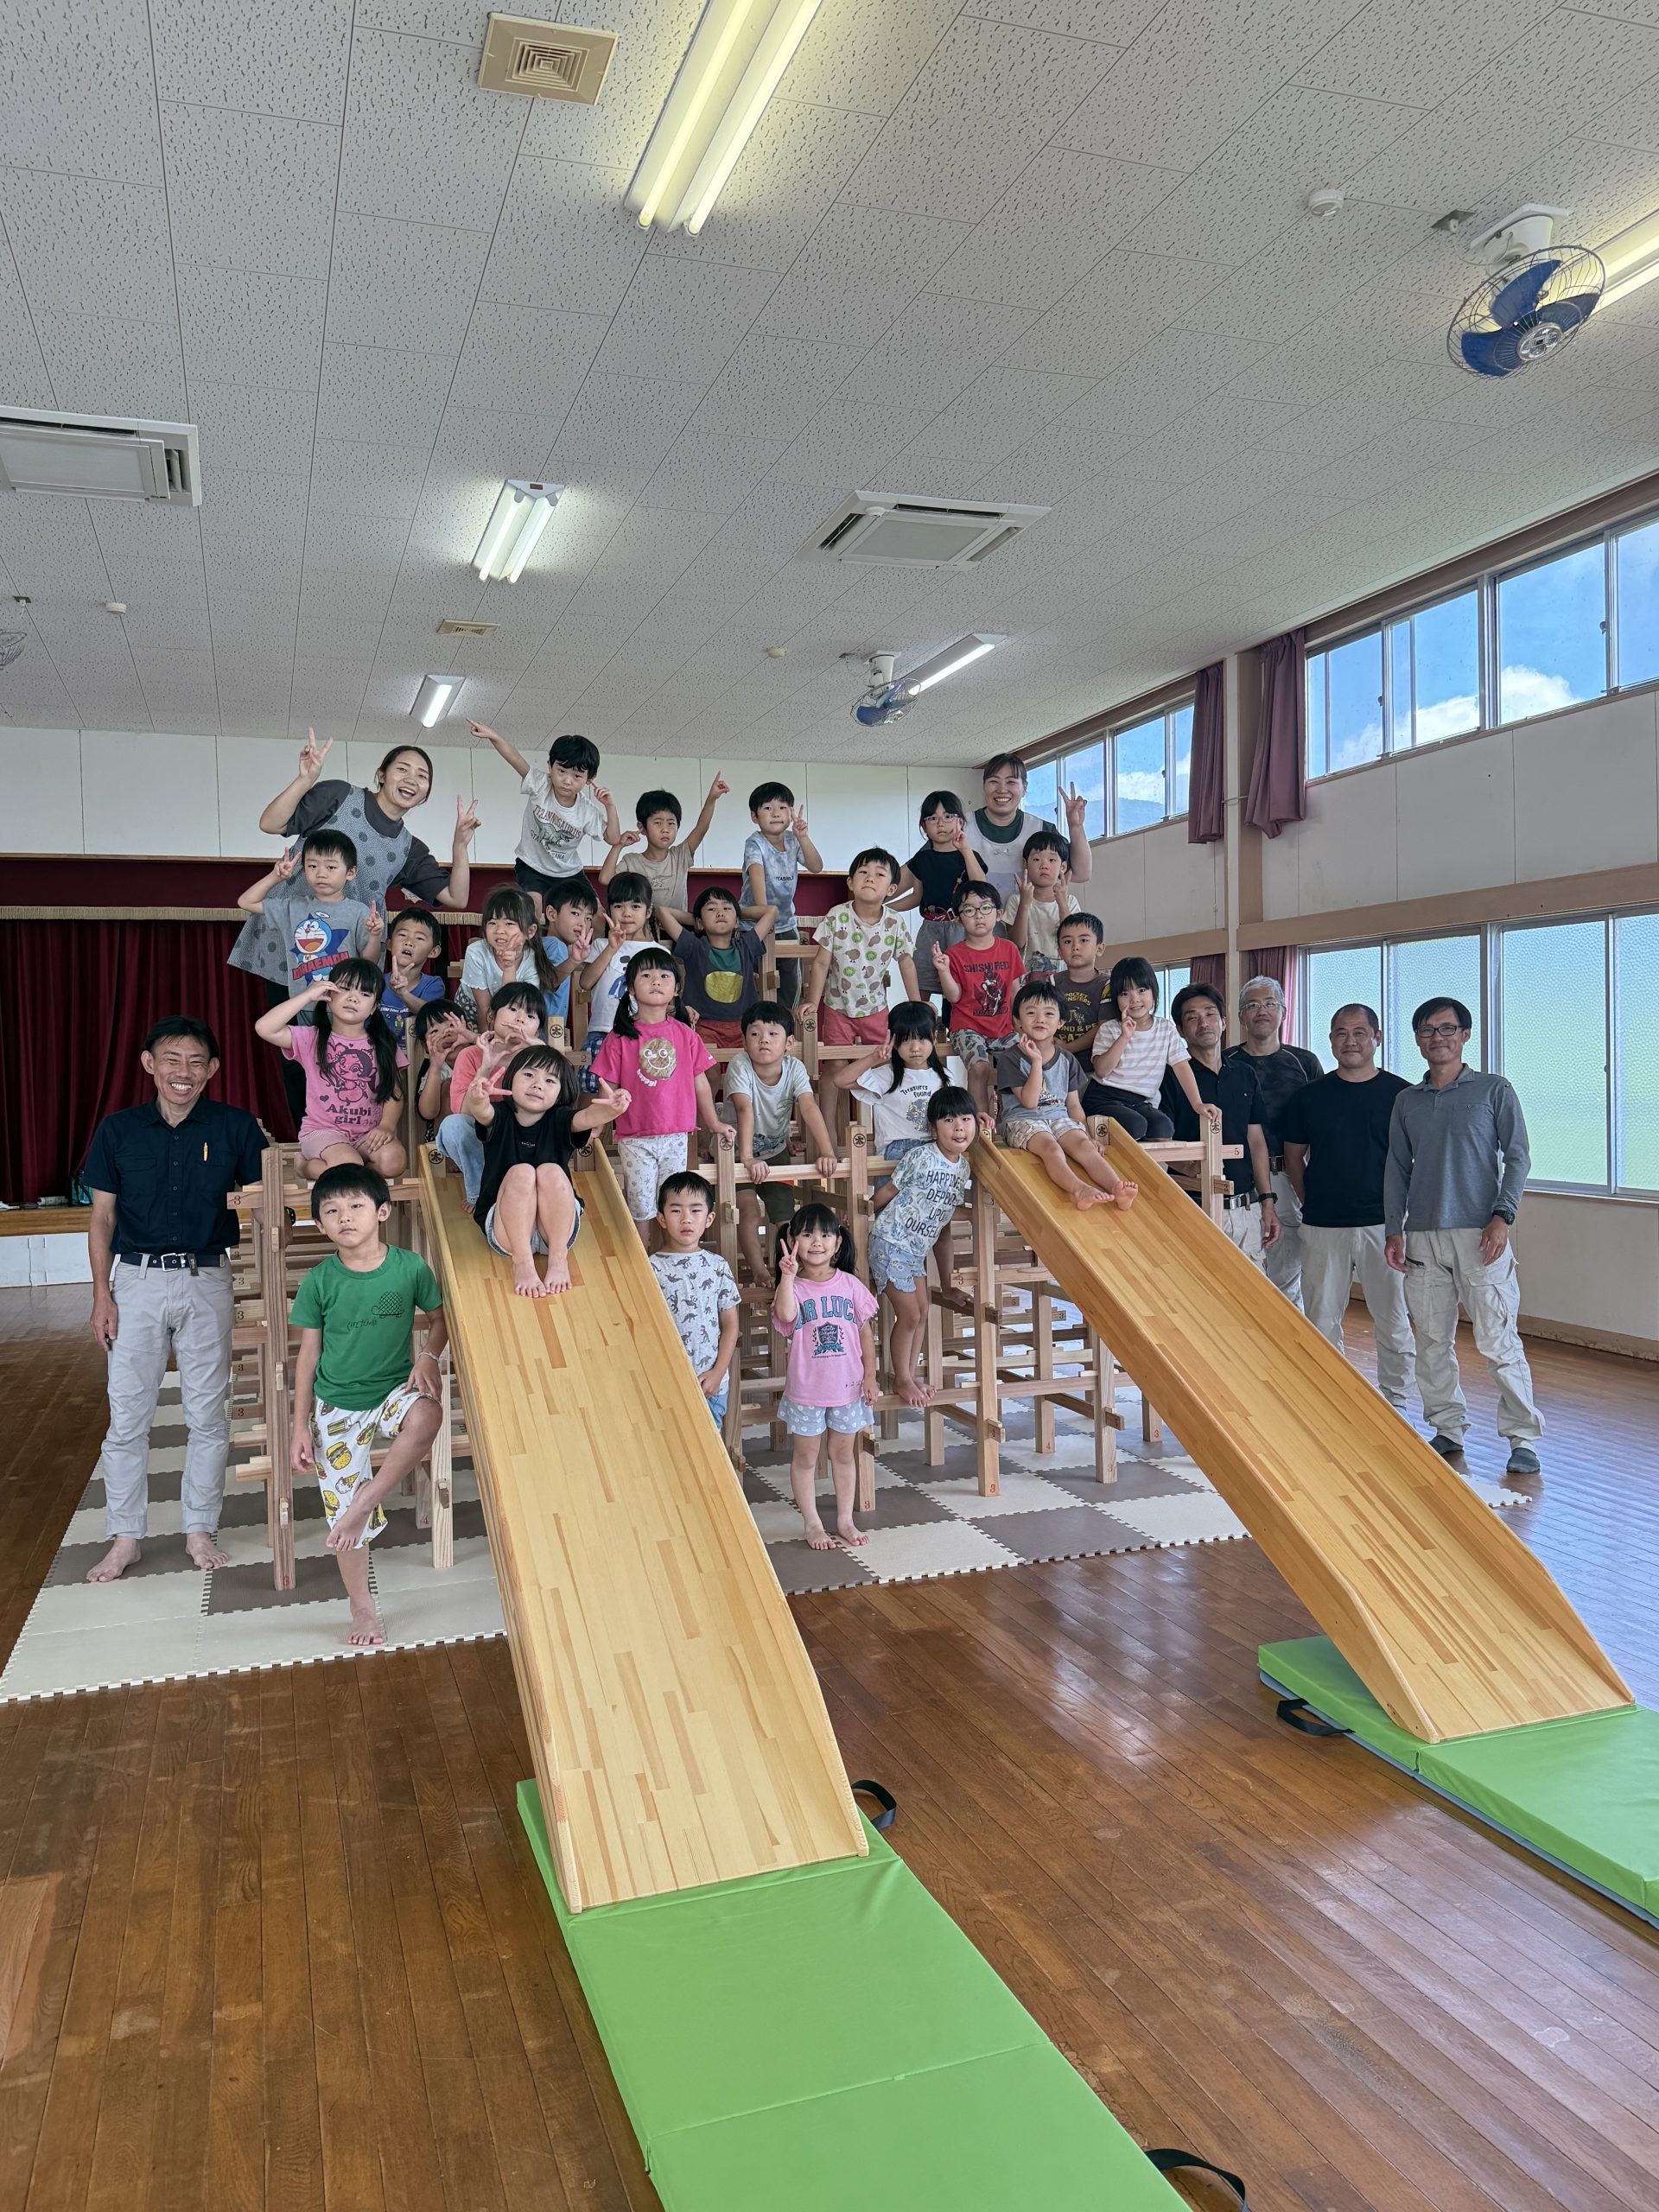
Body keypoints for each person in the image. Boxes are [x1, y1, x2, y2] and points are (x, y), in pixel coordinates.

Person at [80, 1017, 269, 1584]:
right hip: (135, 1282)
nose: (182, 1072)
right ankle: (125, 1538)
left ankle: (198, 1529)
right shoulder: (118, 1131)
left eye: (195, 1061)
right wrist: (102, 1295)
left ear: (213, 1070)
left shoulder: (237, 1128)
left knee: (208, 1416)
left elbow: (265, 1199)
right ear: (149, 1064)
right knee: (127, 1418)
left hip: (206, 1277)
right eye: (171, 1059)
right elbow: (102, 1218)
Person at [289, 1163, 448, 1648]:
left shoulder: (410, 1267)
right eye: (331, 1211)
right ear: (320, 1224)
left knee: (428, 1413)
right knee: (344, 1525)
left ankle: (367, 1500)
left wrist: (428, 1356)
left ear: (382, 1211)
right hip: (336, 1405)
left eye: (356, 1206)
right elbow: (308, 1356)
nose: (345, 1217)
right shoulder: (319, 1280)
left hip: (392, 1391)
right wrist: (299, 1426)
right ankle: (362, 1610)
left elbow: (440, 1320)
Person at [1384, 996, 1542, 1476]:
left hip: (1481, 1234)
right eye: (1427, 1030)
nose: (1437, 1037)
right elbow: (1397, 1168)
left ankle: (1522, 1437)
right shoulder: (1407, 1101)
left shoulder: (1494, 1089)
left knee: (1498, 1340)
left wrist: (1503, 1216)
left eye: (1447, 1028)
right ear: (1417, 1040)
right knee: (1432, 1340)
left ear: (1465, 1035)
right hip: (1422, 1236)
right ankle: (1447, 1428)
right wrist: (1394, 1229)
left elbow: (1518, 1156)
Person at [234, 731, 478, 1027]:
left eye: (422, 776)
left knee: (343, 1042)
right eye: (402, 769)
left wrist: (460, 846)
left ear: (426, 792)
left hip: (349, 957)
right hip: (294, 942)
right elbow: (270, 823)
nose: (411, 779)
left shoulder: (409, 848)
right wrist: (305, 780)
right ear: (381, 775)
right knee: (292, 1041)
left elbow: (457, 897)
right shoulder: (339, 795)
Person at [1281, 1004, 1414, 1414]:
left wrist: (1400, 1218)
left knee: (1393, 1319)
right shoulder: (1309, 1097)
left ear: (1377, 1038)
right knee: (1321, 1319)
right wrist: (1309, 1202)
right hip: (1323, 1224)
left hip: (1385, 1227)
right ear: (1331, 1041)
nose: (1350, 1041)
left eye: (1359, 1032)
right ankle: (1329, 1399)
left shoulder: (1403, 1095)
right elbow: (1293, 1158)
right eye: (1341, 1033)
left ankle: (1396, 1403)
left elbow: (1416, 1161)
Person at [463, 1039, 628, 1295]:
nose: (538, 1084)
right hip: (508, 1230)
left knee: (550, 1171)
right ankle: (523, 1263)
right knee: (522, 1172)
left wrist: (613, 1110)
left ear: (560, 1094)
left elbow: (588, 1117)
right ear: (511, 1079)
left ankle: (558, 1260)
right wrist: (477, 1097)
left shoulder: (561, 1119)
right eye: (529, 1075)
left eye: (550, 1081)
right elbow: (482, 1111)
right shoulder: (500, 1115)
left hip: (555, 1232)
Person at [589, 947, 721, 1236]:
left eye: (664, 976)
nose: (656, 981)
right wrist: (596, 1125)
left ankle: (668, 1258)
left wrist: (713, 1123)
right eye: (646, 975)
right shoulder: (619, 1037)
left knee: (674, 1206)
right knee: (641, 1210)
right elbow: (608, 1088)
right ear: (630, 988)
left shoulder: (686, 1034)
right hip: (635, 1137)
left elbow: (701, 1082)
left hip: (676, 1135)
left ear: (677, 989)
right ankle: (643, 1261)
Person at [772, 1204, 877, 1551]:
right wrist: (787, 1277)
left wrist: (871, 1376)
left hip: (848, 1389)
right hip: (806, 1391)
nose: (816, 1242)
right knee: (805, 1458)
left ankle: (845, 1519)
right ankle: (812, 1523)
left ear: (837, 1243)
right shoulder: (793, 1287)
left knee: (843, 1454)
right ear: (793, 1241)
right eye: (807, 1234)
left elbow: (865, 1334)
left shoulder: (851, 1285)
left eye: (825, 1234)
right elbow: (785, 1316)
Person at [868, 1087, 978, 1406]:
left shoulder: (963, 1168)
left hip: (914, 1251)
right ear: (933, 1128)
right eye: (949, 1120)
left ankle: (909, 1374)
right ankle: (901, 1378)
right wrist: (862, 1213)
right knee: (910, 1315)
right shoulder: (921, 1157)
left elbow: (944, 1223)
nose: (959, 1127)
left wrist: (948, 1285)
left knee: (922, 1312)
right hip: (890, 1241)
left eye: (965, 1119)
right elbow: (889, 1190)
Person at [721, 1001, 837, 1288]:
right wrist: (747, 1159)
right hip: (734, 1153)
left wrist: (827, 1151)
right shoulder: (740, 1065)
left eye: (773, 1034)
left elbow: (809, 1108)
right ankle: (760, 1272)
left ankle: (790, 1270)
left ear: (789, 1043)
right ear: (744, 1041)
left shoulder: (795, 1067)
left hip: (775, 1152)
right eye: (755, 1034)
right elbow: (745, 1110)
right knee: (748, 1211)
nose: (764, 1040)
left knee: (785, 1217)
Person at [255, 958, 406, 1180]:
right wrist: (307, 995)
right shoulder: (312, 1038)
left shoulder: (385, 1045)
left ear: (374, 1007)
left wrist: (386, 1126)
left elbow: (394, 1093)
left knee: (394, 1161)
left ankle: (350, 1172)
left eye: (365, 993)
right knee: (348, 1165)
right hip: (323, 1133)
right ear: (329, 994)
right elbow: (264, 1028)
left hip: (366, 1136)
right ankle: (305, 1167)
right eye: (345, 988)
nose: (353, 998)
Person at [1224, 976, 1323, 1306]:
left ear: (1283, 1012)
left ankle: (1287, 1336)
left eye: (1270, 1004)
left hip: (1288, 1176)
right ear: (1241, 1016)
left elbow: (1319, 1128)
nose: (1262, 1011)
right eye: (1252, 1005)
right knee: (1239, 1276)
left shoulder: (1305, 1063)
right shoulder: (1226, 1063)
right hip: (1236, 1181)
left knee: (1287, 1274)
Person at [996, 981, 1137, 1213]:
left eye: (1049, 1014)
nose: (1040, 1019)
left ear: (1061, 1022)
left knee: (1085, 1147)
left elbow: (1073, 1104)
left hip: (1059, 1119)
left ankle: (1117, 1188)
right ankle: (1079, 1189)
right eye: (1031, 1013)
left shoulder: (1067, 1060)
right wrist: (1036, 1062)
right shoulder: (1010, 1059)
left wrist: (1087, 1135)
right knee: (1052, 1149)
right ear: (1018, 1021)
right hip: (1023, 1120)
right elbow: (1030, 1102)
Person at [1164, 983, 1280, 1267]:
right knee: (1198, 1287)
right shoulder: (1170, 1077)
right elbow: (1159, 1143)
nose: (1203, 1023)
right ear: (1180, 1030)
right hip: (1193, 1206)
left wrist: (1267, 1200)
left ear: (1224, 1022)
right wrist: (1191, 1168)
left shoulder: (1245, 1073)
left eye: (1210, 1014)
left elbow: (1256, 1141)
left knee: (1252, 1289)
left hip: (1246, 1207)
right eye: (1192, 1017)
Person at [235, 828, 382, 1020]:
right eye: (312, 866)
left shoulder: (359, 912)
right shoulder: (293, 907)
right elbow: (246, 902)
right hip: (304, 1005)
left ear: (351, 872)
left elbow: (369, 961)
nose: (320, 874)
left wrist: (374, 936)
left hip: (345, 1007)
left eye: (331, 867)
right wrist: (275, 877)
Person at [469, 722, 618, 912]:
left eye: (577, 776)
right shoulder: (540, 785)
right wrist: (493, 736)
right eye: (561, 771)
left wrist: (610, 806)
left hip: (568, 871)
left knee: (597, 913)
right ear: (550, 766)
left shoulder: (586, 810)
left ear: (589, 779)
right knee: (533, 908)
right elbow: (515, 758)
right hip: (532, 866)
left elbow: (613, 839)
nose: (567, 780)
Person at [430, 982, 545, 1206]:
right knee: (452, 1126)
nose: (520, 1019)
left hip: (524, 1142)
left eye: (530, 1016)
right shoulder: (469, 1056)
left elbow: (558, 1104)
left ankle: (522, 1185)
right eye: (513, 1009)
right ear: (491, 1016)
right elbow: (463, 1113)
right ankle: (481, 1192)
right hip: (483, 1141)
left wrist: (540, 1051)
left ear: (538, 1031)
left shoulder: (539, 1059)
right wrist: (485, 1068)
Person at [1086, 957, 1217, 1142]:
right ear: (1116, 998)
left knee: (1163, 1128)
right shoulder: (1110, 1028)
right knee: (1136, 1126)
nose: (1134, 999)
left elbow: (1181, 1067)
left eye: (1141, 990)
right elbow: (1102, 1070)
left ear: (1153, 991)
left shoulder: (1166, 1029)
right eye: (1124, 993)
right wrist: (1124, 1037)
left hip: (1139, 1102)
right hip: (1105, 1097)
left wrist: (1197, 1104)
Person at [801, 849, 920, 1049]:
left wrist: (916, 1004)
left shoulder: (894, 921)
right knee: (835, 1061)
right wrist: (813, 1002)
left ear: (891, 889)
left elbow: (906, 963)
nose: (870, 878)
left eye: (879, 874)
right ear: (850, 882)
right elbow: (821, 964)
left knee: (880, 1060)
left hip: (876, 1009)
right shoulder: (836, 916)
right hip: (837, 1008)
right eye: (863, 872)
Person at [834, 999, 972, 1167]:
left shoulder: (945, 1076)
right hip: (896, 1154)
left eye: (922, 1038)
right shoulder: (887, 1075)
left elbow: (956, 1113)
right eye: (906, 1040)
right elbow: (841, 1080)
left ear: (934, 1037)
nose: (915, 1048)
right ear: (893, 1041)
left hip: (935, 1150)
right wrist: (874, 1058)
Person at [650, 1173, 741, 1427]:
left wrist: (718, 1373)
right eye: (676, 1210)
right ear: (662, 1218)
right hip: (666, 1383)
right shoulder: (650, 1268)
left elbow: (731, 1326)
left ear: (709, 1218)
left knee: (709, 1447)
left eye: (695, 1210)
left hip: (709, 1383)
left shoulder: (718, 1266)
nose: (686, 1219)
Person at [934, 880, 1025, 1121]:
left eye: (985, 908)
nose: (978, 915)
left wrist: (1020, 1025)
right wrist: (943, 970)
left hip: (1005, 1026)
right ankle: (980, 1125)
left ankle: (1011, 1121)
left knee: (1020, 1064)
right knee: (979, 1068)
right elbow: (954, 997)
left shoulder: (1009, 949)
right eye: (969, 910)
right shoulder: (953, 955)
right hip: (967, 1027)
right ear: (958, 919)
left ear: (998, 914)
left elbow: (1015, 992)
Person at [888, 791, 988, 999]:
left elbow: (982, 888)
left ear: (960, 821)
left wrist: (965, 849)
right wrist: (885, 909)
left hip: (962, 929)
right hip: (929, 929)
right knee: (921, 982)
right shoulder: (922, 859)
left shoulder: (969, 856)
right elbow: (916, 896)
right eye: (932, 818)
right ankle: (922, 1019)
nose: (940, 823)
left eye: (948, 816)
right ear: (924, 826)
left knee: (960, 987)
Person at [660, 884, 776, 1052]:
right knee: (707, 1063)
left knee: (746, 1064)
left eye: (726, 908)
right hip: (703, 1025)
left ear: (737, 922)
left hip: (746, 1026)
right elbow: (662, 912)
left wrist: (737, 913)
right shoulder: (694, 947)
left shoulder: (746, 946)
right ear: (700, 922)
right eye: (712, 909)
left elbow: (771, 911)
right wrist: (697, 919)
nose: (720, 913)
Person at [603, 777, 728, 929]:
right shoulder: (632, 861)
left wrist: (712, 798)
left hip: (679, 930)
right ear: (642, 827)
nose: (665, 829)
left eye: (671, 823)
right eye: (657, 823)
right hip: (644, 932)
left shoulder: (680, 855)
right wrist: (618, 846)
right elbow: (605, 879)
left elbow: (701, 828)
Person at [973, 754, 1092, 907]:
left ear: (1024, 788)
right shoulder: (961, 827)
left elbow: (1081, 874)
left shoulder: (1042, 829)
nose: (1002, 789)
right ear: (984, 786)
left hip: (1031, 921)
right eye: (994, 782)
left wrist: (1075, 826)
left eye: (1011, 782)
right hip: (973, 922)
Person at [743, 781, 821, 1014]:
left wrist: (803, 837)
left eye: (782, 807)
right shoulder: (755, 843)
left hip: (786, 924)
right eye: (767, 808)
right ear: (754, 817)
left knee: (790, 982)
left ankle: (786, 1025)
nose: (776, 813)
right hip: (752, 924)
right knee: (755, 982)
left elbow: (816, 866)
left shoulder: (792, 840)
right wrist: (764, 915)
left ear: (790, 813)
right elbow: (756, 876)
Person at [460, 886, 566, 1038]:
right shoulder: (476, 952)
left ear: (530, 931)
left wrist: (508, 968)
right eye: (492, 923)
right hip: (472, 1010)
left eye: (509, 923)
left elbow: (514, 1004)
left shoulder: (532, 960)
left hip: (512, 1014)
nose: (499, 930)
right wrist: (487, 1046)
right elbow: (484, 1009)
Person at [578, 871, 658, 1058]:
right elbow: (585, 983)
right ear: (609, 910)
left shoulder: (658, 952)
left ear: (648, 912)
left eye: (635, 906)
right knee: (595, 1078)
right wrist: (612, 948)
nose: (626, 913)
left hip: (644, 1033)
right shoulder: (601, 945)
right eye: (618, 906)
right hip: (603, 1030)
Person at [1002, 827, 1081, 975]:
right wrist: (1024, 903)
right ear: (1025, 864)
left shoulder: (1070, 901)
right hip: (1027, 979)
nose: (1044, 865)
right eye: (1037, 859)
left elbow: (1072, 939)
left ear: (1063, 867)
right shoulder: (1016, 900)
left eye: (1051, 860)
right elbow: (1017, 943)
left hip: (1063, 977)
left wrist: (1062, 904)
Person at [378, 907, 447, 1048]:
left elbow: (431, 1014)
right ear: (389, 944)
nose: (409, 942)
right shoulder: (376, 982)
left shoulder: (434, 984)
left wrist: (403, 994)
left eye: (419, 938)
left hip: (417, 1058)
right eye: (402, 935)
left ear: (434, 951)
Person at [1053, 914, 1109, 1057]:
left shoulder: (1108, 985)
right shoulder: (1052, 983)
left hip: (1095, 1063)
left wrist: (1068, 1047)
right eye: (1067, 941)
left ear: (1100, 948)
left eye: (1083, 940)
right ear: (1059, 951)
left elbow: (1104, 1026)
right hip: (1056, 1061)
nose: (1075, 947)